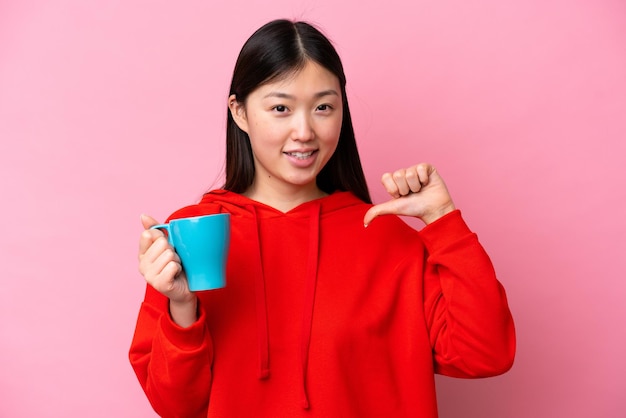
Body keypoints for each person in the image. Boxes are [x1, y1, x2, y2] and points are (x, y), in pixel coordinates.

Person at [129, 19, 515, 418]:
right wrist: (182, 306)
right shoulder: (193, 235)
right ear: (239, 112)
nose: (304, 131)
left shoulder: (385, 236)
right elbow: (174, 405)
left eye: (323, 108)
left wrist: (443, 221)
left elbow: (486, 354)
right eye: (281, 108)